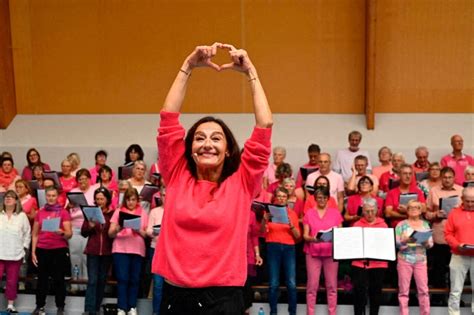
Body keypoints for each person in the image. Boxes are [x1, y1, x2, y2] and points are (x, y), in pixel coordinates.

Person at [152, 43, 272, 315]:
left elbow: (264, 125)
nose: (207, 144)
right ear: (189, 149)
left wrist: (251, 73)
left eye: (216, 138)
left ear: (228, 149)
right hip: (176, 297)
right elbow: (168, 119)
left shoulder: (242, 182)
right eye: (200, 138)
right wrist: (187, 66)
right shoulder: (177, 173)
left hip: (224, 300)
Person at [31, 186, 72, 315]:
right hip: (42, 249)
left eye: (53, 195)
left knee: (59, 279)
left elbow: (69, 234)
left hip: (58, 249)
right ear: (45, 196)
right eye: (49, 195)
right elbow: (35, 234)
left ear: (57, 197)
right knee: (41, 279)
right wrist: (33, 251)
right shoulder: (40, 212)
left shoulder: (63, 212)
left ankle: (60, 307)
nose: (51, 198)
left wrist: (61, 233)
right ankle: (39, 306)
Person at [108, 188, 149, 315]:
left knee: (135, 279)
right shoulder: (118, 211)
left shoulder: (142, 213)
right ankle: (121, 307)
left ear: (137, 200)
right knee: (123, 278)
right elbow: (110, 233)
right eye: (128, 199)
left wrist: (137, 230)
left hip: (137, 249)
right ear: (125, 200)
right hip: (120, 248)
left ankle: (132, 307)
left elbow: (146, 234)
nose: (130, 202)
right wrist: (118, 228)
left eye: (133, 200)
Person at [303, 187, 342, 315]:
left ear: (328, 199)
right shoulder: (309, 213)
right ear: (314, 198)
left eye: (324, 197)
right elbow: (305, 235)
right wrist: (313, 239)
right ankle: (310, 313)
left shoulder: (335, 213)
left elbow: (340, 233)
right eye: (319, 197)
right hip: (313, 252)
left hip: (330, 253)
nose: (322, 200)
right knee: (312, 286)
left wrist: (333, 236)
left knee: (332, 286)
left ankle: (332, 313)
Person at [261, 187, 301, 315]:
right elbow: (262, 232)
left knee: (291, 283)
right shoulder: (269, 212)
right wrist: (264, 220)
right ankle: (273, 312)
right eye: (279, 196)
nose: (281, 198)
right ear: (275, 197)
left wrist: (292, 225)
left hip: (289, 247)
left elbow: (298, 236)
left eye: (284, 196)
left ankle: (292, 313)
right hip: (273, 246)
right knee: (273, 283)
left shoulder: (292, 213)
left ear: (287, 199)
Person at [425, 167, 463, 288]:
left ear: (454, 178)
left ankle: (455, 297)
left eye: (449, 177)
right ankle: (438, 299)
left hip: (457, 235)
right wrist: (436, 214)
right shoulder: (434, 191)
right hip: (439, 234)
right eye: (445, 177)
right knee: (439, 268)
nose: (447, 180)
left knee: (456, 268)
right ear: (441, 178)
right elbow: (426, 214)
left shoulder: (461, 191)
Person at [351, 198, 388, 315]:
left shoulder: (383, 225)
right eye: (367, 211)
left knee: (375, 293)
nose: (370, 214)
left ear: (377, 210)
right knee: (358, 293)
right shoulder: (356, 225)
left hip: (378, 264)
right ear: (362, 211)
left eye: (372, 211)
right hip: (359, 263)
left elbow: (386, 246)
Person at [395, 200, 433, 315]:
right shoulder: (401, 225)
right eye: (410, 207)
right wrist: (404, 241)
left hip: (421, 260)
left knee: (423, 290)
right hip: (404, 260)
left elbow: (430, 244)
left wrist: (426, 242)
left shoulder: (425, 224)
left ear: (421, 210)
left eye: (416, 207)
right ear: (407, 210)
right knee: (403, 291)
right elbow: (397, 244)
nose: (413, 209)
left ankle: (425, 313)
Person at [81, 187, 114, 315]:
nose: (99, 201)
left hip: (106, 252)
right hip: (93, 251)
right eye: (97, 199)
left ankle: (96, 308)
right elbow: (84, 233)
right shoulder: (90, 212)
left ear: (107, 200)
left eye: (102, 199)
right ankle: (89, 310)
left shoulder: (112, 214)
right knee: (92, 281)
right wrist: (90, 226)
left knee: (101, 281)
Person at [67, 169, 100, 290]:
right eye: (80, 179)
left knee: (86, 257)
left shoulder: (94, 190)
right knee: (75, 255)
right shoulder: (73, 192)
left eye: (85, 178)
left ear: (89, 179)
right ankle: (75, 283)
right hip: (74, 226)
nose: (82, 181)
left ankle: (86, 284)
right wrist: (69, 206)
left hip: (88, 227)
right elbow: (67, 210)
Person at [0, 190, 31, 313]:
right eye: (6, 197)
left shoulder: (22, 216)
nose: (8, 199)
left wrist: (24, 248)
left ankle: (10, 305)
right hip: (0, 252)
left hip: (15, 253)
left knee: (12, 280)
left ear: (16, 201)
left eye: (11, 197)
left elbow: (27, 234)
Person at [445, 187, 474, 315]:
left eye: (473, 201)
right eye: (468, 201)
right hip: (459, 254)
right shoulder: (454, 213)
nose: (470, 204)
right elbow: (448, 234)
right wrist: (457, 245)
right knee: (456, 290)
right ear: (462, 199)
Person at [385, 164, 426, 228]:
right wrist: (409, 214)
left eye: (410, 174)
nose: (408, 176)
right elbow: (388, 213)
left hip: (415, 226)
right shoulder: (391, 193)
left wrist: (406, 210)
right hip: (398, 227)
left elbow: (423, 209)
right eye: (405, 174)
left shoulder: (418, 191)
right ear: (399, 175)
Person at [146, 203, 165, 315]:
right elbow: (148, 230)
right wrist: (155, 231)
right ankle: (156, 312)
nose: (165, 197)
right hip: (156, 248)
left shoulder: (175, 209)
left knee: (170, 284)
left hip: (171, 250)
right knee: (158, 284)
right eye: (163, 195)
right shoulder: (155, 211)